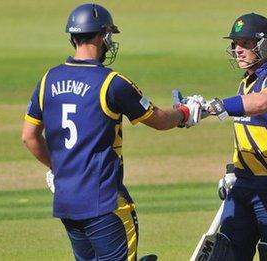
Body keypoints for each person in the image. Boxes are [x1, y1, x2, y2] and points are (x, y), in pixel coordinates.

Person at [21, 3, 200, 261]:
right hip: (105, 203)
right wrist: (185, 112)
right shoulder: (112, 83)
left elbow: (29, 137)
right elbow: (159, 120)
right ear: (101, 36)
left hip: (67, 202)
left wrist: (59, 170)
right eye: (109, 35)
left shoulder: (48, 79)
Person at [198, 13, 267, 260]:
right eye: (235, 43)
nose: (238, 49)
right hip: (244, 185)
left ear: (264, 45)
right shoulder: (245, 84)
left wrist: (217, 106)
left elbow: (262, 103)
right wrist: (232, 171)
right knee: (225, 254)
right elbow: (246, 134)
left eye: (246, 43)